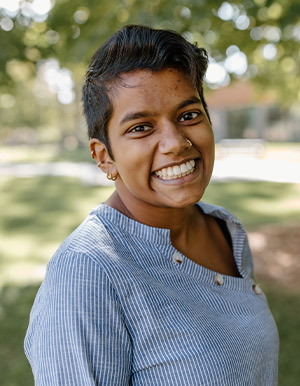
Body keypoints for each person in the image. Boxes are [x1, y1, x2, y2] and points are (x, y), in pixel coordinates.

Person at [24, 25, 279, 385]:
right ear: (104, 157)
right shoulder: (88, 273)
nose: (175, 143)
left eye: (188, 115)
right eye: (141, 128)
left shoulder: (227, 231)